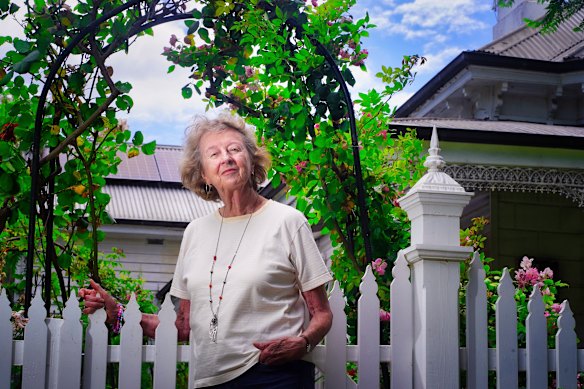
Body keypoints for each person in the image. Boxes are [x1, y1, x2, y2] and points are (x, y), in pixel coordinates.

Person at [79, 112, 333, 388]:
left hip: (276, 375)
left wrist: (303, 342)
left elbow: (322, 313)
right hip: (208, 380)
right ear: (203, 174)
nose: (226, 157)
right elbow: (183, 328)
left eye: (235, 149)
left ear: (251, 160)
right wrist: (119, 312)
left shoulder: (287, 221)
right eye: (214, 153)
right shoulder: (195, 232)